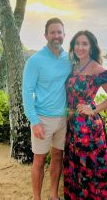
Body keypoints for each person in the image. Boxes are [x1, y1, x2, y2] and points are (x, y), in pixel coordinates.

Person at [63, 30, 107, 200]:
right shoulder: (73, 66)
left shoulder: (97, 68)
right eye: (77, 43)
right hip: (72, 125)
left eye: (84, 44)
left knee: (90, 168)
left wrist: (93, 109)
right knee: (76, 166)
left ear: (91, 47)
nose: (80, 47)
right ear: (73, 46)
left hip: (88, 128)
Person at [22, 18, 72, 200]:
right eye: (52, 32)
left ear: (64, 35)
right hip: (42, 119)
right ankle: (37, 198)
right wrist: (34, 122)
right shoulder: (35, 61)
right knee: (39, 161)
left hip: (63, 119)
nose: (56, 36)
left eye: (59, 32)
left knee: (58, 157)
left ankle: (53, 195)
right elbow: (26, 93)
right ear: (46, 35)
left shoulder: (69, 59)